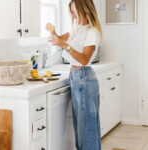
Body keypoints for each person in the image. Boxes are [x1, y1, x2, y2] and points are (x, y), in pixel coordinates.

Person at [46, 0, 102, 149]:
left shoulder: (92, 32)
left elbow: (83, 60)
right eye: (71, 11)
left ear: (85, 10)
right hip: (77, 78)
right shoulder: (76, 30)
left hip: (84, 77)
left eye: (75, 11)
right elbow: (59, 39)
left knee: (86, 127)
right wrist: (52, 31)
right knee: (83, 126)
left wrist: (64, 45)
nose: (73, 15)